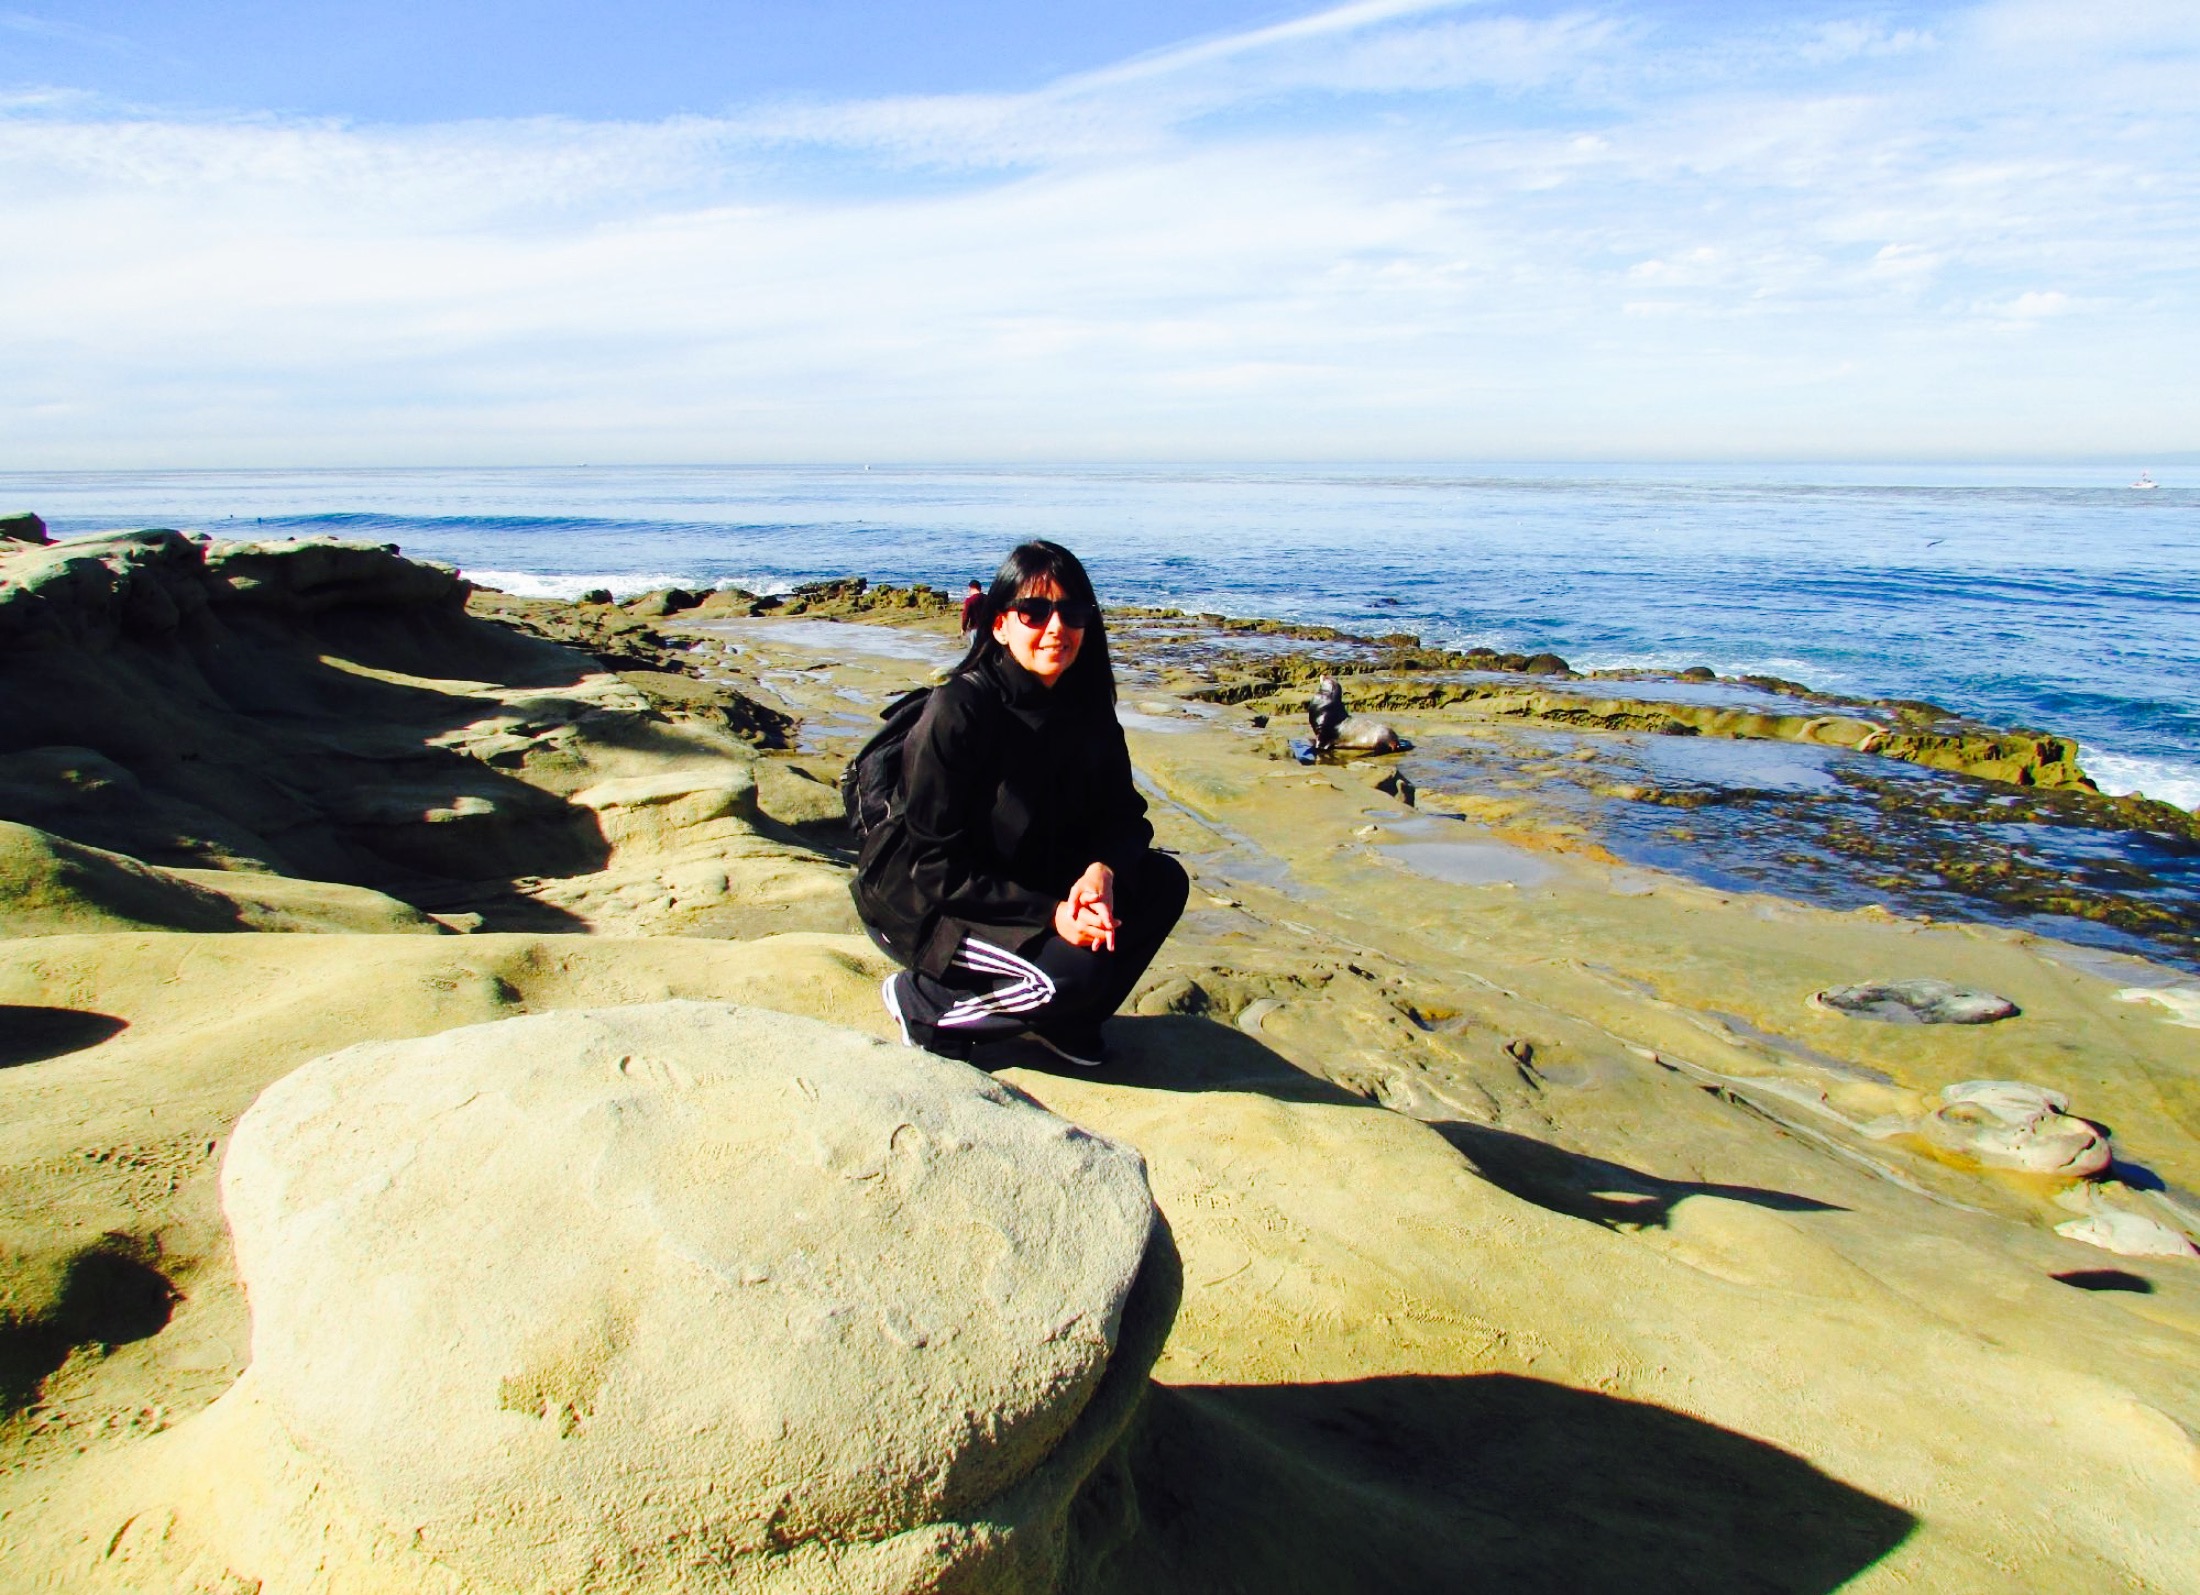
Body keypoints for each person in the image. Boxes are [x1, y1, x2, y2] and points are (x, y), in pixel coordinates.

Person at [854, 541, 1188, 1067]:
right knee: (1071, 976)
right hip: (932, 906)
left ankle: (1070, 1022)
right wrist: (1052, 915)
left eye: (1073, 612)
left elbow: (1125, 817)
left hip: (1030, 882)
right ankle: (926, 1005)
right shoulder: (960, 710)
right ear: (1000, 624)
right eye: (1034, 611)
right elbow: (935, 867)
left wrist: (1100, 874)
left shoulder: (1087, 710)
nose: (1056, 627)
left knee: (1164, 883)